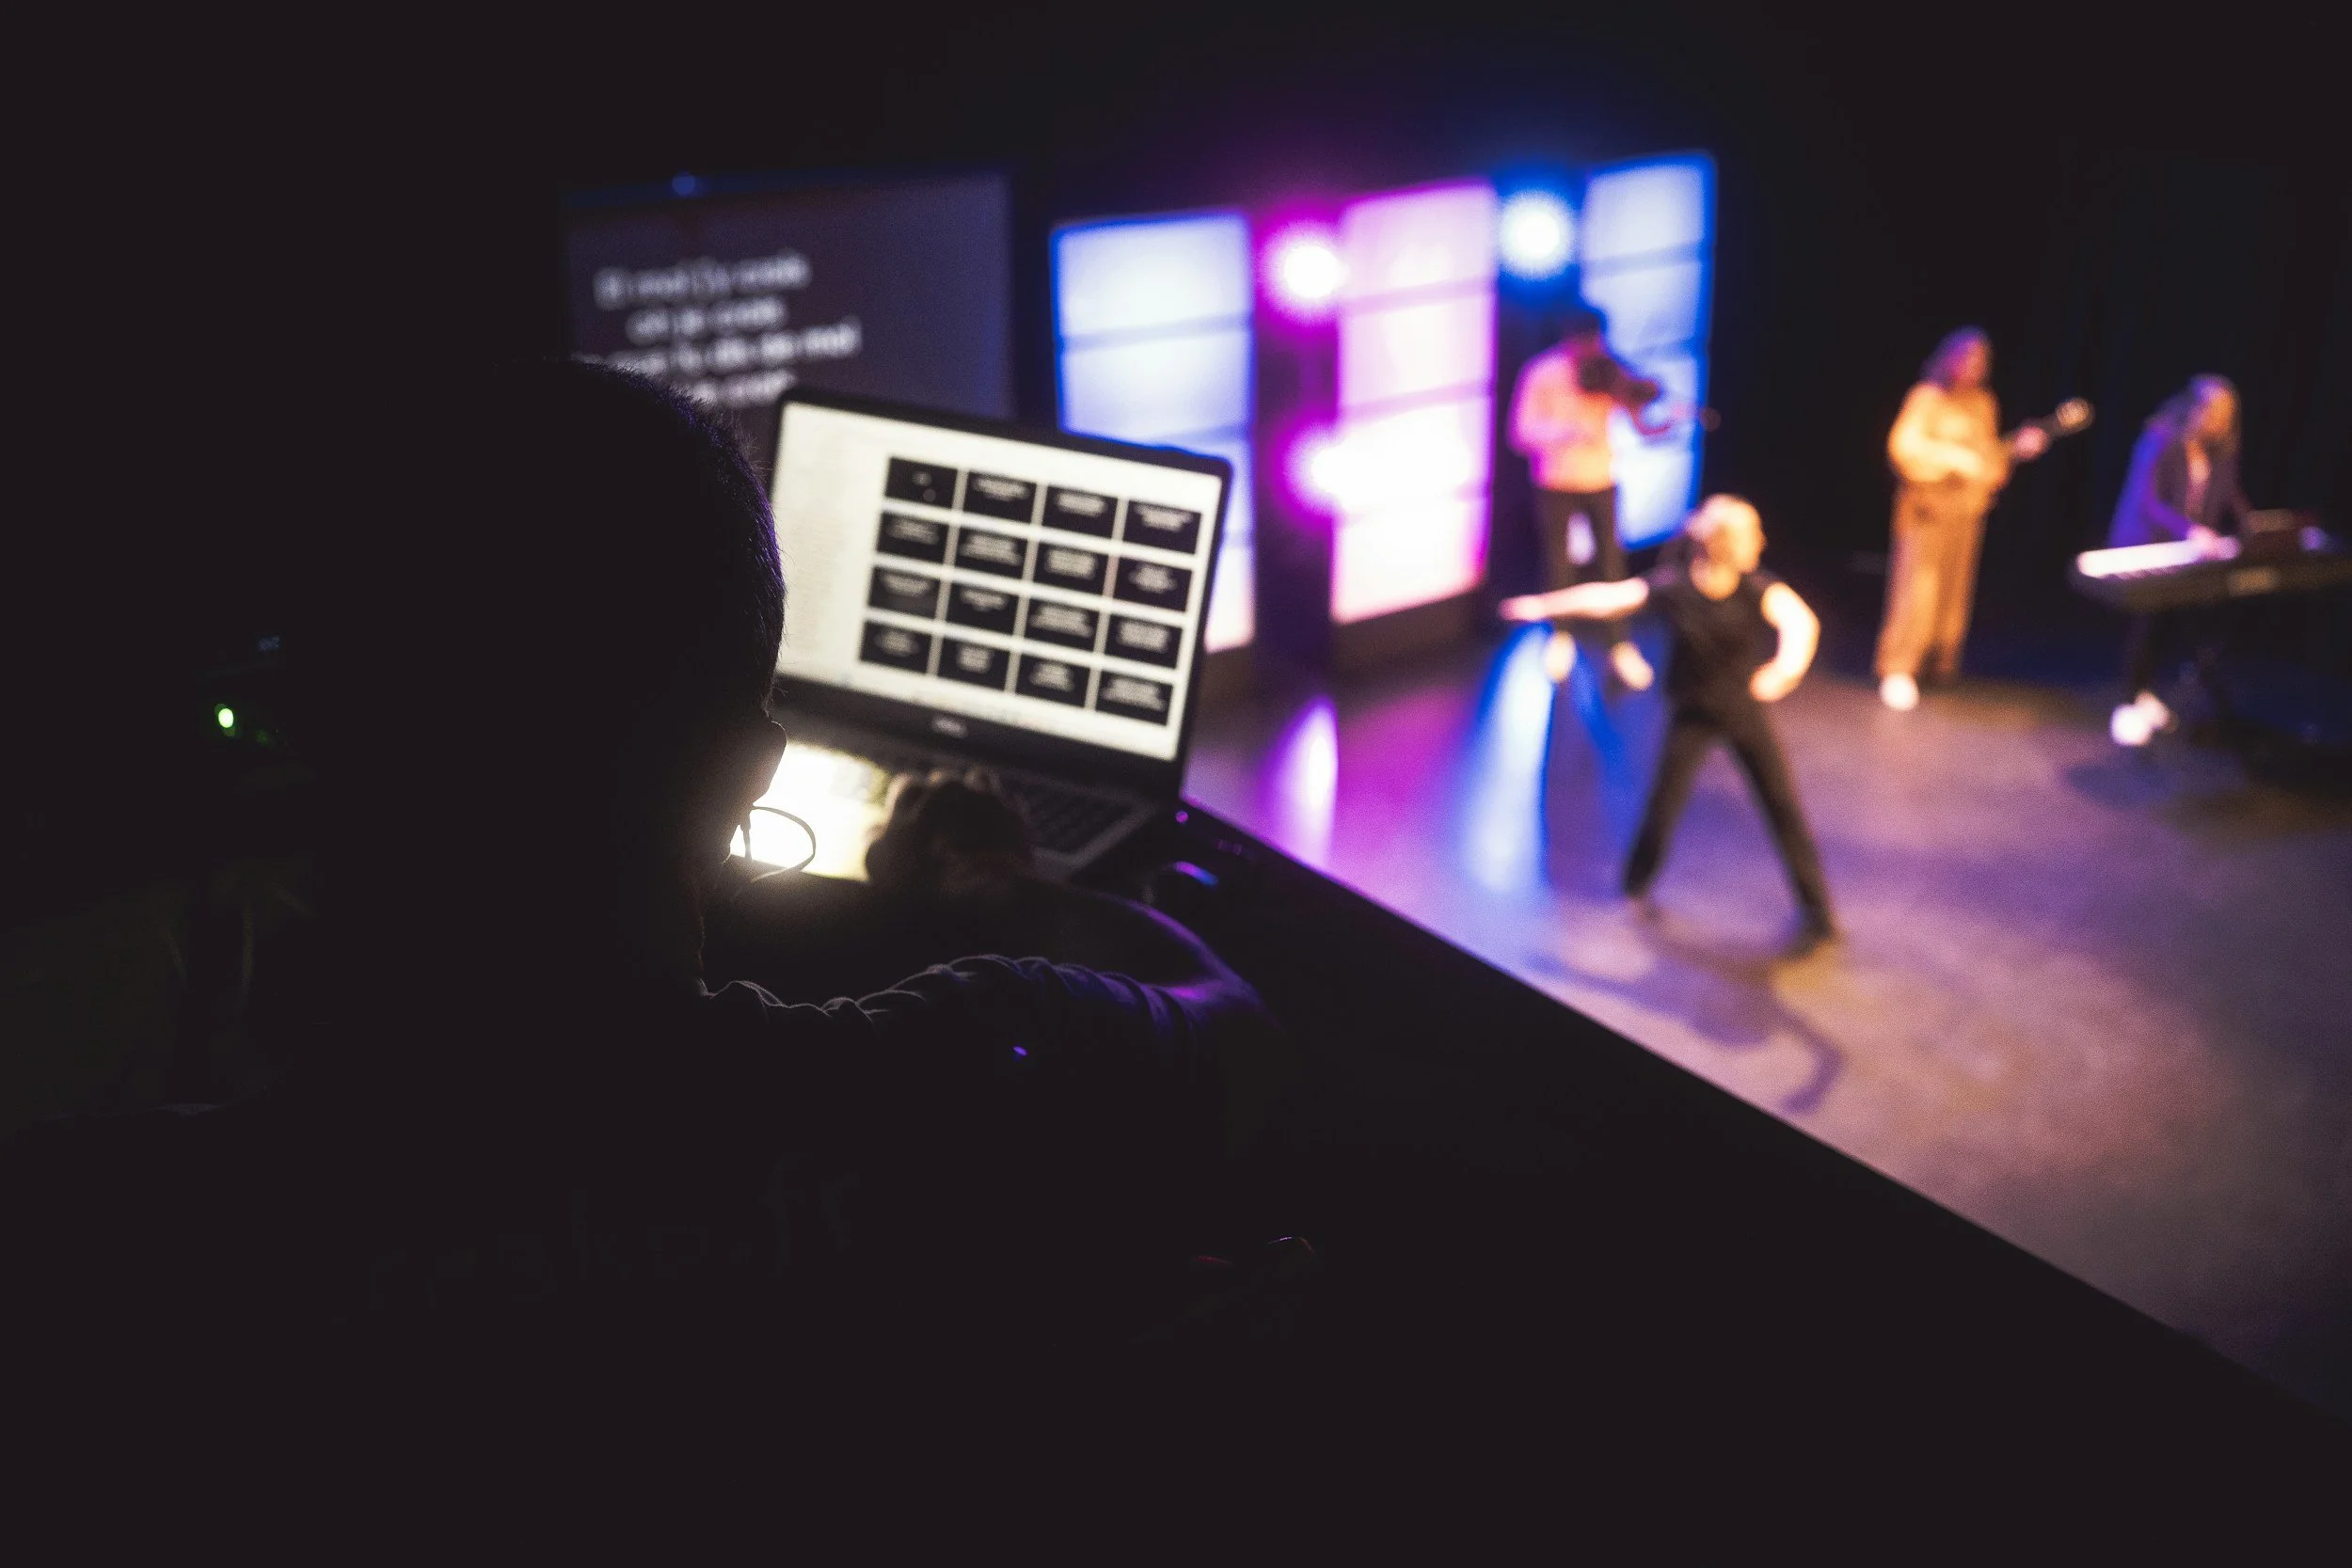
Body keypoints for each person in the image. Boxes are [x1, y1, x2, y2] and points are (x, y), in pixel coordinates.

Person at [0, 362, 1283, 1439]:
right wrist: (999, 895)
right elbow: (1230, 1027)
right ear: (746, 770)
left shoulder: (118, 1246)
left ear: (317, 732)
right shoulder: (966, 1070)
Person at [1502, 495, 1835, 950]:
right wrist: (1545, 605)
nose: (1762, 542)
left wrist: (1783, 672)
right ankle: (1636, 885)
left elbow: (1801, 625)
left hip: (1742, 714)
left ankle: (1817, 906)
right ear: (1721, 544)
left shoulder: (1758, 589)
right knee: (1664, 805)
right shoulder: (1676, 588)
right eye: (1750, 534)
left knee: (1782, 807)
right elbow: (1610, 598)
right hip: (1692, 716)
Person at [1507, 304, 1699, 689]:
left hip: (1601, 480)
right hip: (1556, 482)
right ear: (1569, 338)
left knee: (1612, 564)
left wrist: (1674, 419)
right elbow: (1521, 432)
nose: (1591, 349)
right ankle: (1560, 637)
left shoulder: (1612, 372)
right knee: (1559, 564)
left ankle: (1620, 645)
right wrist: (1566, 432)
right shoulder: (1542, 373)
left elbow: (1644, 426)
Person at [1874, 327, 2052, 711]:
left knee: (1953, 592)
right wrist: (1954, 460)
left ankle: (1937, 662)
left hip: (1965, 514)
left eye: (1979, 362)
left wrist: (2014, 452)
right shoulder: (1927, 398)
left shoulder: (1983, 404)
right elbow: (1903, 448)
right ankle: (1898, 667)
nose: (1971, 368)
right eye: (1965, 359)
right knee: (1917, 591)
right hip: (1927, 512)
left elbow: (1988, 459)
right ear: (1948, 359)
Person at [2105, 374, 2250, 747]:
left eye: (2225, 414)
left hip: (2183, 549)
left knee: (2168, 619)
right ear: (2194, 406)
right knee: (2147, 619)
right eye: (2212, 411)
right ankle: (2127, 701)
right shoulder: (2161, 438)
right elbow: (2150, 502)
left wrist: (2256, 525)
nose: (2217, 421)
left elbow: (2229, 497)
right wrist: (2190, 531)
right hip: (2146, 543)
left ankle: (2145, 692)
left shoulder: (2218, 452)